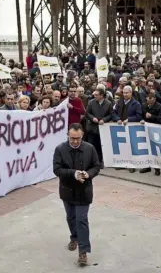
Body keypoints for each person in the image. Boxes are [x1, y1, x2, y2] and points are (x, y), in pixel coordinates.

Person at [53, 123, 100, 266]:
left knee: (82, 219)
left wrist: (88, 174)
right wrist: (73, 173)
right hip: (67, 190)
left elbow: (96, 166)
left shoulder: (90, 148)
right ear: (68, 136)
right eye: (72, 138)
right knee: (71, 217)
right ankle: (74, 237)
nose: (74, 141)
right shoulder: (60, 149)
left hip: (84, 191)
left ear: (82, 136)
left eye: (77, 139)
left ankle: (83, 252)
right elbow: (57, 169)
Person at [85, 88, 113, 167]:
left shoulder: (108, 103)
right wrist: (92, 118)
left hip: (102, 128)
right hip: (92, 128)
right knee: (90, 145)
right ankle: (90, 162)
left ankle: (99, 161)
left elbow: (111, 114)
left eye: (97, 95)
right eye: (94, 94)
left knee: (100, 146)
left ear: (102, 95)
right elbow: (87, 113)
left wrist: (104, 120)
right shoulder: (91, 102)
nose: (95, 96)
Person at [139, 92, 161, 175]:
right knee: (146, 148)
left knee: (155, 150)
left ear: (154, 99)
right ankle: (147, 166)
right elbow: (141, 115)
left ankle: (157, 168)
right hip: (145, 130)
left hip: (155, 131)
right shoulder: (144, 105)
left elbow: (160, 118)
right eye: (148, 100)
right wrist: (142, 119)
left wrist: (151, 116)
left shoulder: (159, 107)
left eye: (151, 101)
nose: (150, 102)